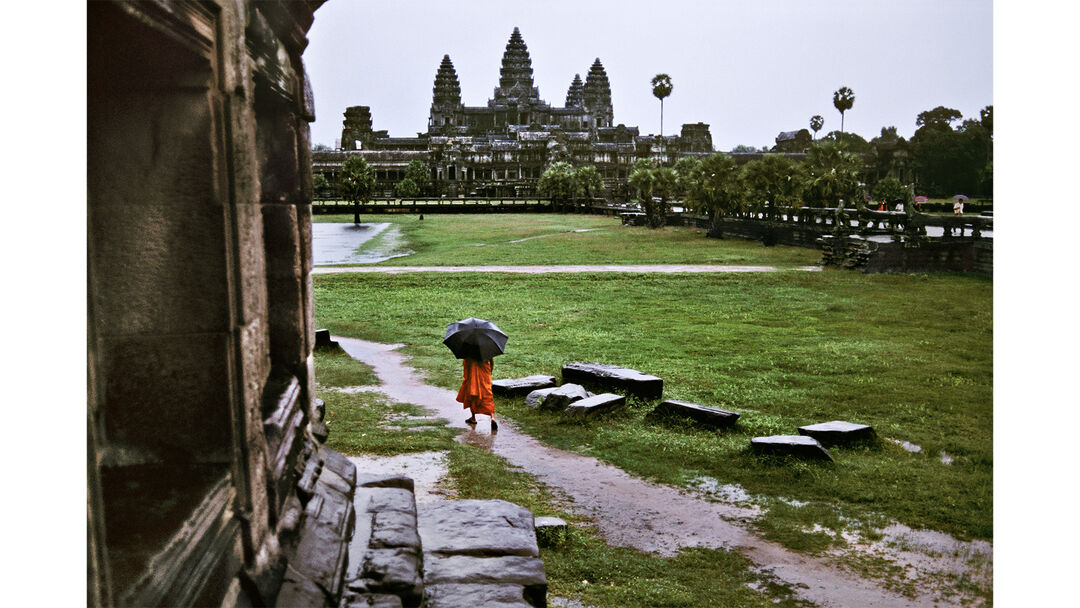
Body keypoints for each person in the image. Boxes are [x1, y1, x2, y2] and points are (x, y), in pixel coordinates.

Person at [457, 357, 497, 431]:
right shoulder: (486, 350)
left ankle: (473, 418)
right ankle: (492, 417)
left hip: (472, 377)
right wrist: (490, 371)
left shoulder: (469, 352)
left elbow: (466, 367)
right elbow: (491, 362)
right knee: (487, 396)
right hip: (485, 375)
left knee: (473, 394)